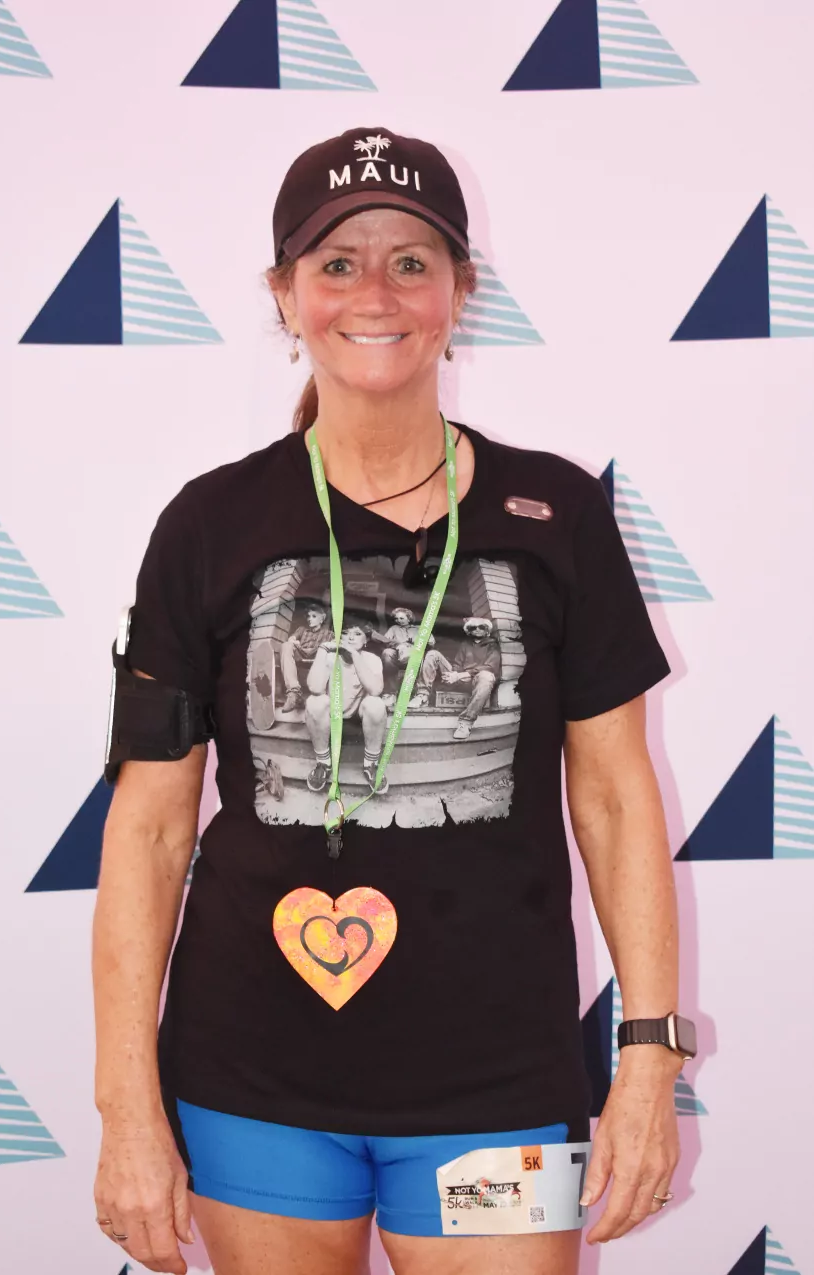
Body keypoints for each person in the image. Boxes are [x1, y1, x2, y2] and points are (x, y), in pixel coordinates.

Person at [92, 125, 691, 1275]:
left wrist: (648, 1060)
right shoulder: (209, 524)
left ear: (460, 291)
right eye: (337, 262)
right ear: (285, 296)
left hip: (498, 1094)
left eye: (411, 261)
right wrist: (126, 1109)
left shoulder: (556, 513)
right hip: (250, 1085)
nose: (375, 293)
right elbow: (151, 827)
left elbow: (617, 802)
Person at [303, 622, 388, 793]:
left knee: (376, 704)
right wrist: (322, 650)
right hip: (332, 713)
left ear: (365, 641)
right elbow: (315, 688)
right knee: (314, 701)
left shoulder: (372, 659)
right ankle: (323, 763)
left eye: (357, 634)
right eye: (345, 633)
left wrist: (354, 655)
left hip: (357, 714)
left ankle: (371, 764)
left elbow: (375, 690)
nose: (350, 637)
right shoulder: (329, 657)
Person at [418, 615, 502, 738]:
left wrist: (462, 675)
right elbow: (458, 664)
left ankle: (466, 722)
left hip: (477, 681)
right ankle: (423, 695)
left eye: (481, 627)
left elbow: (491, 667)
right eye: (473, 627)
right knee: (433, 654)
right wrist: (453, 674)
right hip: (461, 679)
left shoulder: (493, 645)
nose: (477, 629)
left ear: (487, 630)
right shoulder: (465, 644)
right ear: (469, 631)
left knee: (487, 676)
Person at [369, 606, 435, 705]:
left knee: (419, 654)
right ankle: (390, 693)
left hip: (415, 655)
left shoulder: (419, 628)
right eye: (396, 619)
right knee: (387, 652)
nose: (398, 621)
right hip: (398, 655)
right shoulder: (394, 629)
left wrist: (417, 642)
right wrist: (393, 643)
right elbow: (385, 640)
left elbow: (431, 643)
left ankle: (418, 695)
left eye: (401, 618)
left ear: (409, 618)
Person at [279, 603, 333, 713]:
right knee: (286, 645)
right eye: (308, 616)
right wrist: (294, 641)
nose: (309, 619)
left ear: (322, 618)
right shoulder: (302, 629)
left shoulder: (329, 634)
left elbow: (336, 644)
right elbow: (291, 639)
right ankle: (294, 692)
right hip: (301, 653)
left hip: (318, 655)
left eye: (314, 616)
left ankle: (326, 698)